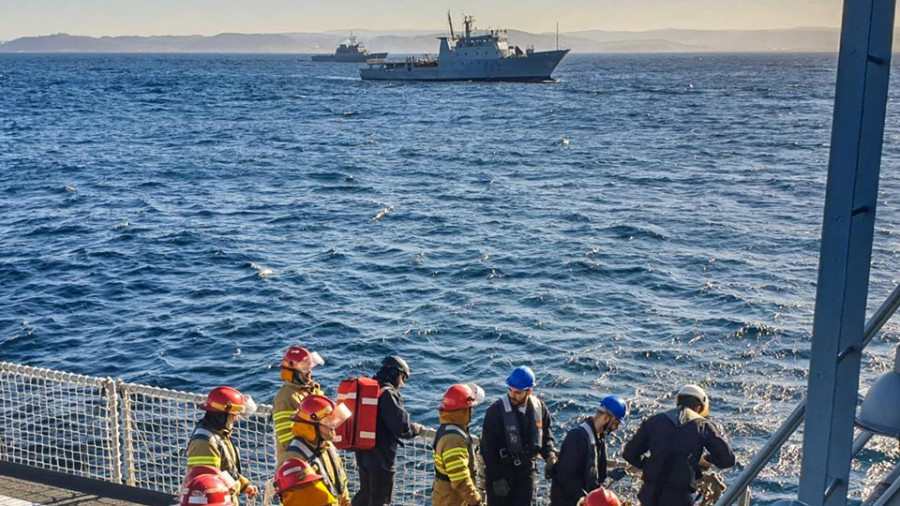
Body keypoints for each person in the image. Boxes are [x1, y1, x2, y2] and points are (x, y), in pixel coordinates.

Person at [622, 384, 736, 506]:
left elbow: (629, 453)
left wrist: (650, 465)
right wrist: (707, 459)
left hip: (649, 494)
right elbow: (727, 460)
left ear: (678, 401)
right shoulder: (703, 426)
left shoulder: (654, 421)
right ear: (699, 407)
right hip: (679, 497)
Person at [353, 355, 425, 506]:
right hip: (382, 458)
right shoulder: (387, 393)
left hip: (363, 454)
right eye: (402, 377)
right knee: (380, 500)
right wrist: (416, 429)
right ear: (394, 373)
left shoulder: (370, 389)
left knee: (365, 495)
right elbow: (401, 426)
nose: (402, 384)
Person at [480, 366, 558, 506]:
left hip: (526, 473)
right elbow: (487, 448)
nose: (512, 395)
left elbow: (546, 436)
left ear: (529, 391)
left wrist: (550, 456)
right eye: (510, 390)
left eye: (518, 392)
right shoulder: (495, 412)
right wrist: (496, 477)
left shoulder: (539, 409)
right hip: (502, 472)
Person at [550, 395, 629, 506]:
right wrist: (587, 499)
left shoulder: (598, 438)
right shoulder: (577, 437)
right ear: (606, 418)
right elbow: (567, 477)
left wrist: (607, 475)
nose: (616, 428)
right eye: (616, 423)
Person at [185, 386, 259, 504]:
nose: (235, 419)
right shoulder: (205, 443)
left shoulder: (218, 435)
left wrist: (244, 485)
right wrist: (239, 486)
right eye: (233, 415)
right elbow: (209, 484)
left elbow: (226, 468)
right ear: (222, 415)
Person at [284, 394, 353, 506]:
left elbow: (341, 484)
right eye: (327, 422)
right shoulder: (294, 457)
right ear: (312, 426)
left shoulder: (328, 446)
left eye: (333, 420)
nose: (333, 426)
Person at [432, 382, 486, 506]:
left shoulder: (446, 429)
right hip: (452, 501)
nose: (471, 412)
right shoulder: (453, 439)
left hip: (445, 497)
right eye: (469, 409)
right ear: (462, 411)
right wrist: (476, 501)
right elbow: (460, 478)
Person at [273, 346, 326, 465]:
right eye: (305, 369)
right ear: (293, 372)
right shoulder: (285, 399)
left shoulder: (313, 390)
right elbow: (287, 440)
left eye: (310, 367)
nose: (310, 372)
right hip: (300, 461)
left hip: (317, 452)